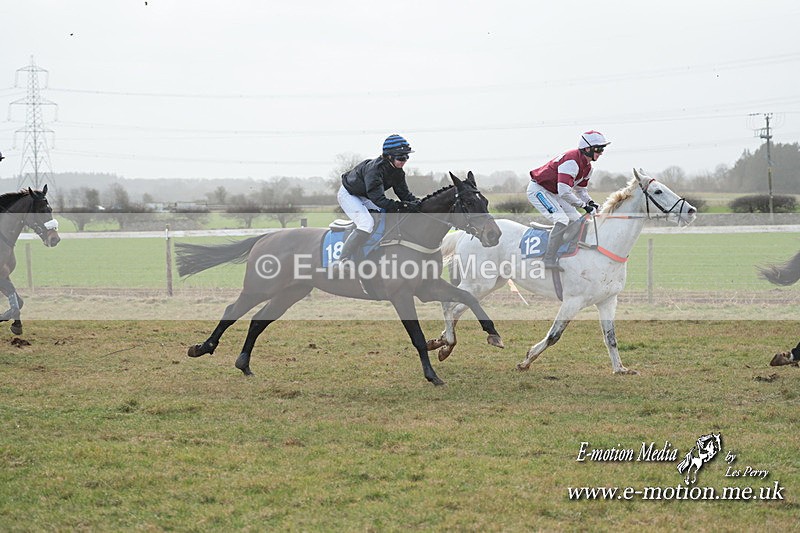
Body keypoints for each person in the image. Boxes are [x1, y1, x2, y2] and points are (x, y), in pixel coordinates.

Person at [334, 134, 421, 270]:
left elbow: (404, 195)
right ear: (389, 156)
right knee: (366, 223)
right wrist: (401, 206)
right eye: (401, 157)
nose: (404, 161)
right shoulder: (374, 170)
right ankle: (343, 259)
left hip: (365, 195)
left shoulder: (398, 172)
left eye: (407, 157)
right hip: (349, 194)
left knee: (385, 216)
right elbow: (379, 200)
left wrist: (420, 204)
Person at [527, 130, 610, 271]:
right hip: (539, 190)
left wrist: (590, 202)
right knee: (562, 220)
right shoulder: (572, 161)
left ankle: (563, 250)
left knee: (577, 219)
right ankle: (548, 259)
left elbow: (581, 190)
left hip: (554, 192)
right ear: (587, 148)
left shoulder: (588, 168)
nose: (601, 152)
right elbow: (564, 191)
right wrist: (583, 205)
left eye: (603, 149)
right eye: (599, 148)